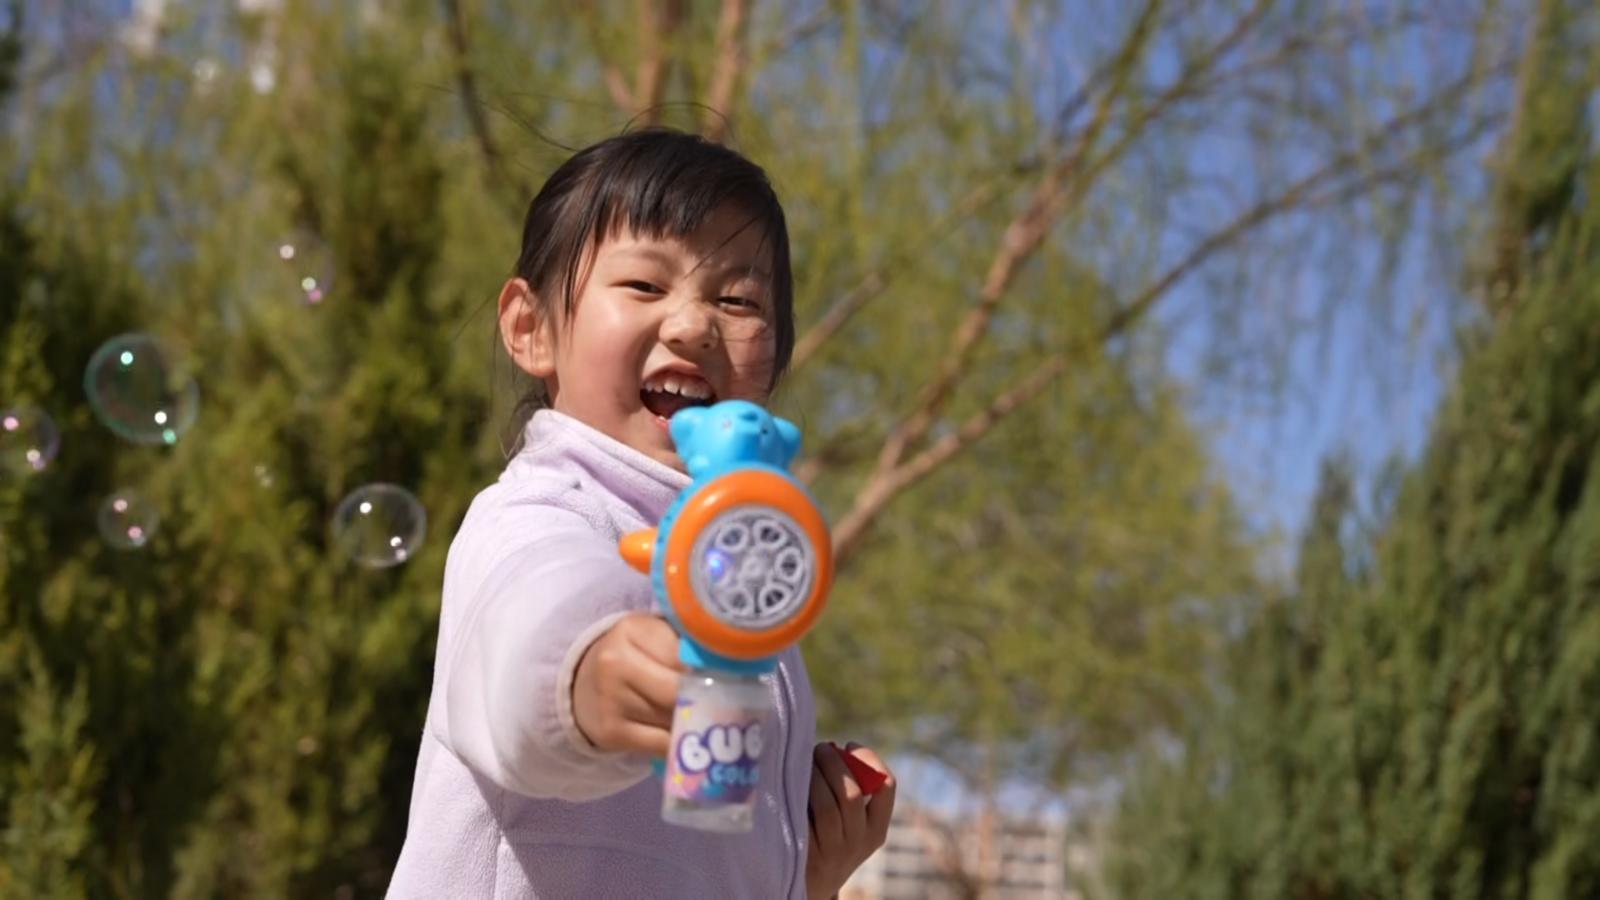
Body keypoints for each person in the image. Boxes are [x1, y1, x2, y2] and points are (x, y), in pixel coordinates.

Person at [388, 127, 896, 899]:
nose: (693, 324)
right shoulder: (540, 510)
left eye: (738, 299)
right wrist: (584, 672)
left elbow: (695, 856)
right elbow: (530, 613)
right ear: (531, 327)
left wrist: (804, 871)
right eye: (644, 285)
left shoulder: (736, 578)